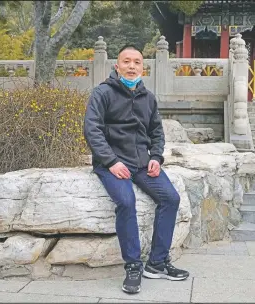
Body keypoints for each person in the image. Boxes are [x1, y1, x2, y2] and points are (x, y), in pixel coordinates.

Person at [84, 45, 189, 294]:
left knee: (171, 198)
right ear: (117, 66)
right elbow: (92, 130)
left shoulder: (148, 97)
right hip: (112, 163)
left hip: (143, 163)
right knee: (126, 201)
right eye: (127, 61)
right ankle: (133, 265)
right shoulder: (102, 93)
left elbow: (156, 133)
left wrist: (156, 157)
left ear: (143, 67)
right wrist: (111, 161)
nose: (132, 67)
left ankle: (157, 263)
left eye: (137, 62)